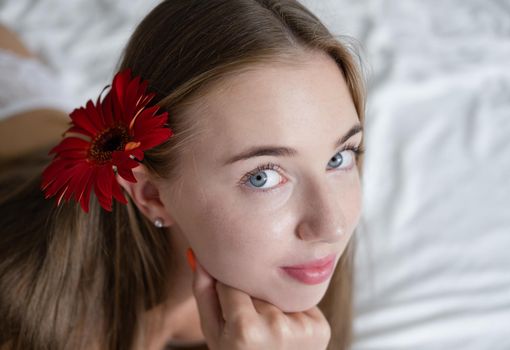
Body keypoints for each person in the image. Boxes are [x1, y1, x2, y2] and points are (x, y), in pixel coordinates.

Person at [0, 0, 366, 349]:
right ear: (152, 196)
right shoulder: (28, 316)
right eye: (263, 177)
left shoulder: (290, 271)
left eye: (339, 158)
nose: (332, 226)